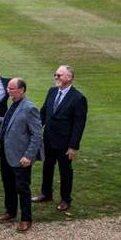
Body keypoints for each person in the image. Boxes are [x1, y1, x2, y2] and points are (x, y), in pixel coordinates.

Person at [35, 65, 87, 213]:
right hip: (49, 139)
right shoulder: (52, 91)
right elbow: (43, 113)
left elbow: (79, 125)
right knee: (47, 167)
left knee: (65, 171)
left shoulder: (78, 98)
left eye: (59, 75)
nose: (56, 78)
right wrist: (36, 130)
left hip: (65, 143)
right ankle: (46, 193)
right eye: (55, 75)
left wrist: (73, 146)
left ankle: (65, 199)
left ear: (69, 78)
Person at [0, 78, 43, 232]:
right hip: (6, 154)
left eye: (11, 89)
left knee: (22, 188)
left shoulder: (29, 108)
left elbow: (37, 135)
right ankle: (10, 211)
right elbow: (12, 123)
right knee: (8, 185)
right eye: (8, 88)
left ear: (22, 90)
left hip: (21, 157)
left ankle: (26, 218)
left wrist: (29, 156)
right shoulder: (14, 104)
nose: (8, 91)